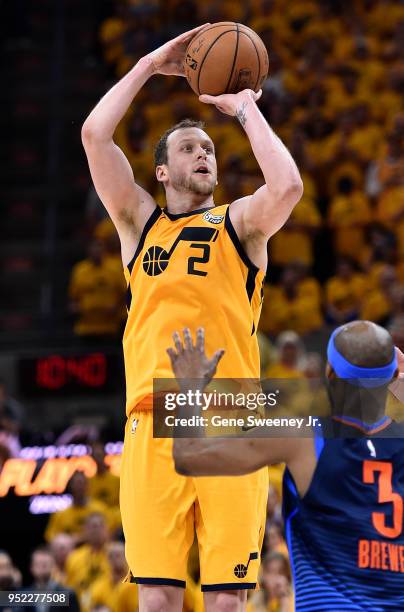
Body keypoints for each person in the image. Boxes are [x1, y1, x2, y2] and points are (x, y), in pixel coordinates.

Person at [82, 22, 303, 612]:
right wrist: (150, 64)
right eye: (189, 147)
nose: (204, 153)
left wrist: (244, 109)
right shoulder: (139, 224)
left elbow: (286, 186)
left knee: (228, 601)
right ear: (160, 171)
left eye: (208, 148)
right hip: (152, 416)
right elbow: (95, 135)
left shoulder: (239, 224)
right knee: (157, 599)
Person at [168, 324, 404, 611]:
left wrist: (190, 388)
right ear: (392, 375)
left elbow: (188, 455)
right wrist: (398, 381)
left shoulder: (302, 438)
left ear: (328, 374)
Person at [23, 546, 79, 612]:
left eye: (45, 565)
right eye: (37, 564)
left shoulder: (67, 594)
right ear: (31, 568)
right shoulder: (23, 595)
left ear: (53, 566)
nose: (41, 568)